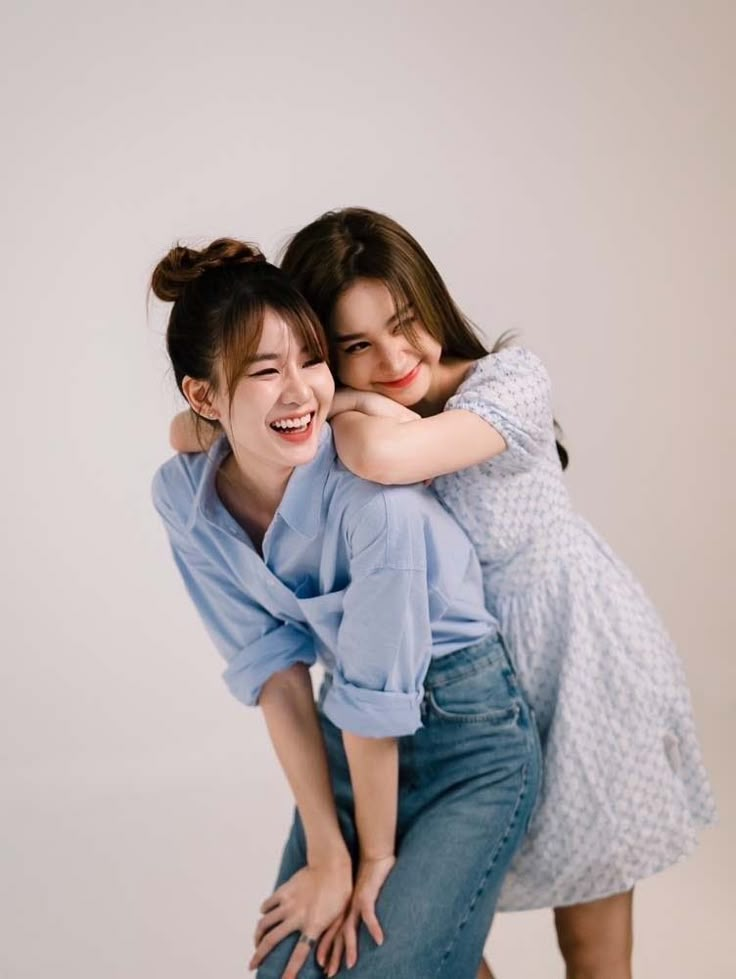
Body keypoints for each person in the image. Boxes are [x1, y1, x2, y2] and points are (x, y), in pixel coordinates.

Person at [275, 207, 716, 978]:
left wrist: (338, 401)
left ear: (430, 300)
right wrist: (311, 399)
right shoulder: (346, 415)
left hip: (580, 673)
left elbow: (386, 452)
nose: (393, 356)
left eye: (404, 322)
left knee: (592, 945)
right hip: (457, 699)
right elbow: (195, 431)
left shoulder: (510, 381)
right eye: (355, 347)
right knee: (442, 928)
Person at [151, 238, 541, 979]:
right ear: (204, 397)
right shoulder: (183, 497)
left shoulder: (372, 500)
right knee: (284, 971)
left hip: (472, 740)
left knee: (376, 970)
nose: (300, 391)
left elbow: (372, 696)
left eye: (312, 359)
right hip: (352, 732)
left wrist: (376, 856)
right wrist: (330, 853)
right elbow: (275, 670)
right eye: (266, 371)